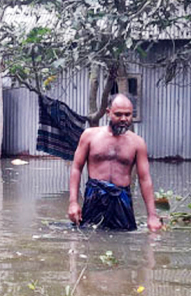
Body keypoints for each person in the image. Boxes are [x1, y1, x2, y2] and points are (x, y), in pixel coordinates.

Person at [68, 94, 162, 232]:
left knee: (125, 240)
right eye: (118, 114)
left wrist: (152, 215)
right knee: (89, 238)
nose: (124, 119)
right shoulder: (89, 136)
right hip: (94, 197)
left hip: (122, 199)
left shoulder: (137, 143)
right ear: (108, 113)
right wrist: (73, 202)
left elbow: (145, 179)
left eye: (128, 114)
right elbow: (76, 168)